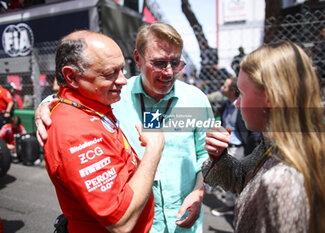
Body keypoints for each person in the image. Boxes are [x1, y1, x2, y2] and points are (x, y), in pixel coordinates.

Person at [35, 23, 213, 233]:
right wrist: (45, 106)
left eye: (176, 63)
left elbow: (206, 155)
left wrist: (199, 192)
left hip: (184, 224)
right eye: (159, 63)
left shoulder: (196, 100)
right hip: (141, 225)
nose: (169, 72)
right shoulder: (113, 94)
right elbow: (72, 97)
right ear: (137, 59)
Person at [202, 41, 325, 233]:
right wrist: (219, 156)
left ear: (270, 97)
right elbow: (242, 178)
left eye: (241, 94)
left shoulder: (281, 182)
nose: (238, 104)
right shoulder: (277, 147)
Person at [42, 30, 164, 233]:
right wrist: (154, 150)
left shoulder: (95, 101)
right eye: (110, 74)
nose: (123, 80)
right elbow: (120, 221)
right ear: (71, 77)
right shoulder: (77, 132)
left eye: (123, 70)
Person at [210, 76, 261, 217]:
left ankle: (241, 208)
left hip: (239, 148)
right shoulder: (225, 105)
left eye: (225, 86)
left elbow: (253, 133)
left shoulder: (242, 106)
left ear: (233, 91)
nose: (222, 88)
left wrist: (250, 152)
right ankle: (230, 205)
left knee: (238, 180)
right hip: (226, 147)